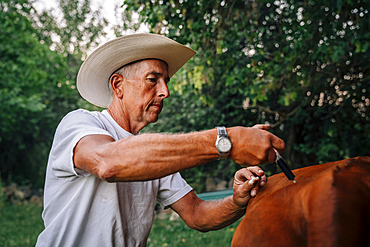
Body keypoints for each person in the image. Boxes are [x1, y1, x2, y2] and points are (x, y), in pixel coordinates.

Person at [35, 33, 285, 247]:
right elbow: (108, 162)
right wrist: (227, 140)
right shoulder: (79, 123)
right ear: (118, 85)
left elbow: (197, 214)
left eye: (166, 81)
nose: (165, 91)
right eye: (153, 80)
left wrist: (237, 200)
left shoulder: (152, 156)